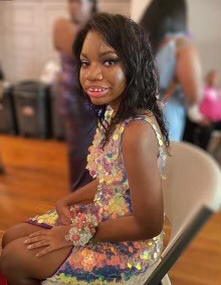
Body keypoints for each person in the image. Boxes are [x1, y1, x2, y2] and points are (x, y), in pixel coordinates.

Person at [0, 13, 169, 285]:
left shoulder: (137, 132)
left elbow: (148, 225)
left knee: (13, 258)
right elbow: (114, 182)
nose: (92, 74)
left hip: (126, 247)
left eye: (109, 60)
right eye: (85, 63)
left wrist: (71, 234)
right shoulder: (115, 114)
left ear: (134, 64)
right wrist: (69, 200)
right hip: (102, 217)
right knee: (11, 237)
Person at [140, 0, 203, 142]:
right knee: (163, 161)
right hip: (166, 116)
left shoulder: (139, 42)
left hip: (136, 113)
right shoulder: (181, 46)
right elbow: (195, 94)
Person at [54, 0, 97, 191]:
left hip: (93, 97)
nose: (74, 7)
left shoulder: (95, 28)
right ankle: (79, 194)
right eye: (71, 2)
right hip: (73, 97)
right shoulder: (62, 25)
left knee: (95, 147)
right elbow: (80, 52)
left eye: (79, 2)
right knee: (79, 149)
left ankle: (92, 191)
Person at [184, 70, 221, 149]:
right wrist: (201, 118)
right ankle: (203, 152)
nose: (214, 79)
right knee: (206, 130)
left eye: (216, 77)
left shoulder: (219, 92)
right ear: (207, 78)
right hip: (205, 120)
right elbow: (192, 108)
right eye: (212, 76)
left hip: (217, 120)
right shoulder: (201, 91)